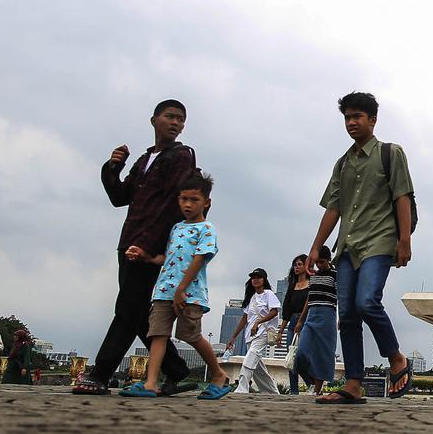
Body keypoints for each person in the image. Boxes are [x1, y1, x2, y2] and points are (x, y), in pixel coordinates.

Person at [75, 99, 196, 395]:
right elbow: (120, 197)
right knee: (139, 312)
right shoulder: (144, 160)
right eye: (169, 116)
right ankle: (176, 371)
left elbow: (174, 203)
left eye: (181, 119)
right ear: (153, 119)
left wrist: (152, 248)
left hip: (149, 245)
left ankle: (101, 374)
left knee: (128, 307)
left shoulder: (182, 156)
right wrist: (112, 167)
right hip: (129, 240)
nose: (175, 123)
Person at [309, 92, 416, 404]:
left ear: (373, 120)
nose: (352, 123)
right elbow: (333, 208)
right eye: (347, 117)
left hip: (380, 241)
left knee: (367, 302)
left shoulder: (390, 153)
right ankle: (354, 383)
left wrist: (405, 239)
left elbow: (402, 197)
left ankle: (396, 358)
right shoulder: (343, 163)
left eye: (358, 117)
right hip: (347, 247)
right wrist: (316, 246)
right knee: (349, 316)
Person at [118, 171, 232, 400]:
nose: (188, 204)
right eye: (183, 199)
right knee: (158, 335)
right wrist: (147, 257)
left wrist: (181, 289)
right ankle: (150, 382)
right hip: (163, 291)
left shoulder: (206, 230)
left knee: (191, 335)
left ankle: (218, 374)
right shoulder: (176, 228)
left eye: (194, 200)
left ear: (206, 202)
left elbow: (199, 259)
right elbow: (169, 258)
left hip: (190, 294)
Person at [225, 268, 281, 394]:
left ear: (264, 280)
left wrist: (258, 322)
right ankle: (272, 392)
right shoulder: (251, 298)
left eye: (258, 277)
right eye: (253, 277)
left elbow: (274, 311)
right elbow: (244, 319)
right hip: (250, 335)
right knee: (258, 368)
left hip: (263, 333)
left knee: (250, 359)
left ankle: (242, 388)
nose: (255, 280)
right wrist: (233, 337)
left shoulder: (268, 294)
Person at [293, 245, 337, 397]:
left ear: (329, 260)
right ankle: (311, 382)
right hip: (312, 314)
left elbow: (342, 297)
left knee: (323, 353)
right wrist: (301, 320)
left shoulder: (335, 275)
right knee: (301, 354)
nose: (319, 265)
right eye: (317, 262)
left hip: (327, 314)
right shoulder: (314, 275)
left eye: (322, 262)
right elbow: (309, 298)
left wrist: (342, 318)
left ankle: (317, 389)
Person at [278, 254, 310, 395]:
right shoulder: (292, 286)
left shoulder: (312, 284)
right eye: (295, 265)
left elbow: (310, 305)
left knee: (302, 356)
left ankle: (311, 383)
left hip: (307, 322)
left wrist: (301, 321)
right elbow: (287, 310)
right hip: (292, 322)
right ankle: (294, 391)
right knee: (291, 358)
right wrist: (281, 331)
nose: (296, 267)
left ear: (306, 266)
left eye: (299, 264)